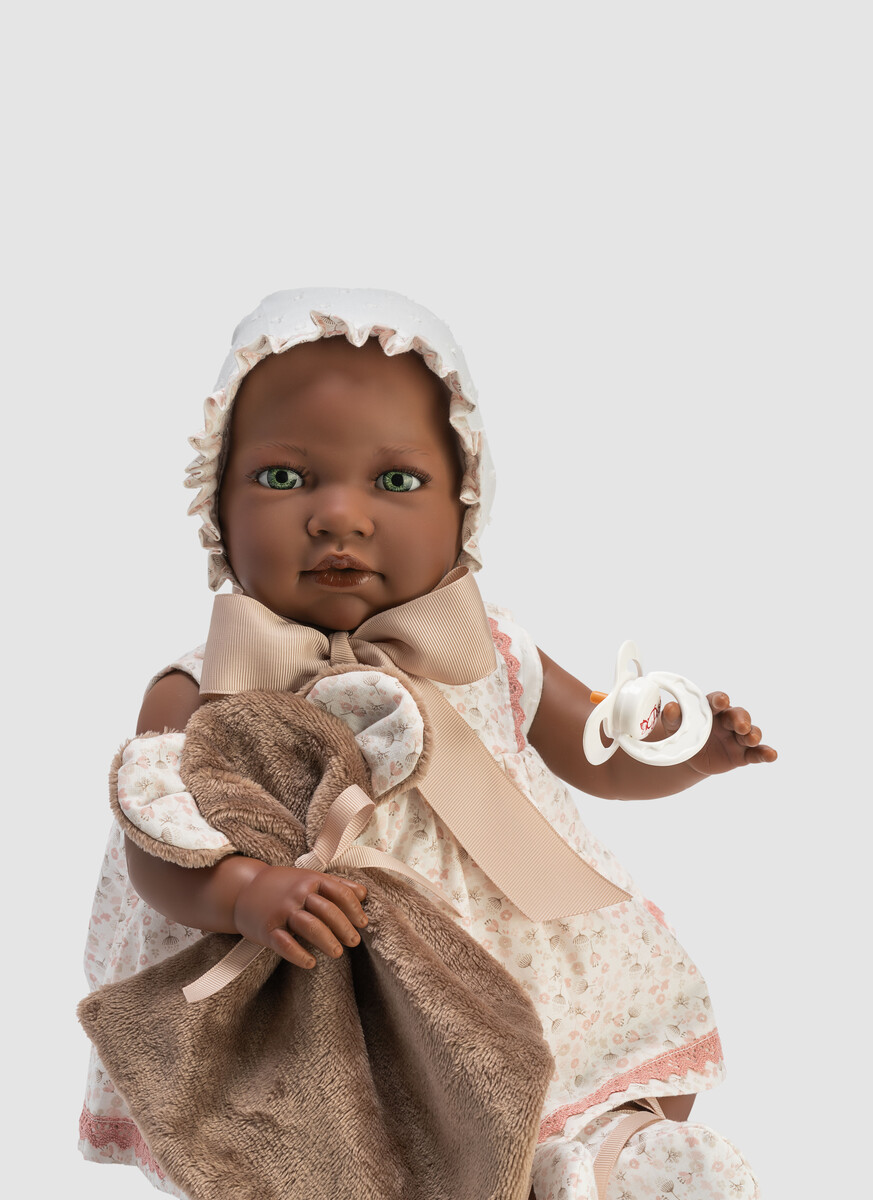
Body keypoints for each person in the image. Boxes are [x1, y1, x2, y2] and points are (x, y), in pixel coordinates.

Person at [80, 289, 775, 1199]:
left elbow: (593, 752)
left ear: (464, 507)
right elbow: (159, 849)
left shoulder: (485, 652)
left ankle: (596, 1156)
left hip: (510, 952)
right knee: (337, 1138)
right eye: (283, 479)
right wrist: (245, 893)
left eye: (397, 483)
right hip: (319, 984)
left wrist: (687, 756)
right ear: (215, 502)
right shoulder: (203, 693)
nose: (339, 516)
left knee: (566, 1061)